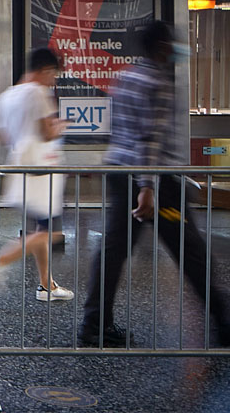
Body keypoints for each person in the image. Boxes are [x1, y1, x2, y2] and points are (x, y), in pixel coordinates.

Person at [78, 20, 230, 347]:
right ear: (162, 47)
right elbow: (151, 139)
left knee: (112, 253)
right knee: (193, 254)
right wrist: (148, 187)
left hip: (121, 174)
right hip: (158, 186)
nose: (178, 49)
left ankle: (95, 325)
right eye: (173, 43)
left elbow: (123, 134)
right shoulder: (158, 83)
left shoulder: (126, 78)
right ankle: (224, 324)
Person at [0, 48, 72, 302]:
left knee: (41, 229)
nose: (54, 80)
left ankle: (46, 285)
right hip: (42, 172)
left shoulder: (7, 96)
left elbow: (5, 136)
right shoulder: (39, 92)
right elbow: (47, 133)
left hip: (20, 169)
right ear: (45, 70)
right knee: (52, 233)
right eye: (53, 74)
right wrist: (61, 126)